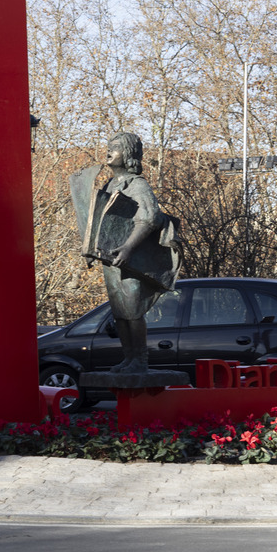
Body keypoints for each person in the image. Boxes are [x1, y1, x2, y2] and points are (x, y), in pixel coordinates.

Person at [87, 132, 180, 373]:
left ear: (128, 155)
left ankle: (140, 360)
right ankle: (128, 358)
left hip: (131, 260)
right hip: (110, 259)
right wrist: (90, 250)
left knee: (132, 310)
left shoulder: (137, 184)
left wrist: (128, 247)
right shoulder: (110, 185)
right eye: (109, 146)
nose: (109, 151)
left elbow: (149, 218)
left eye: (115, 148)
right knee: (120, 313)